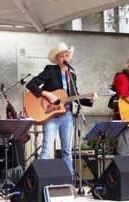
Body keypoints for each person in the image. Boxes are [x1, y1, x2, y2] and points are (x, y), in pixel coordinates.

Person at [26, 42, 94, 177]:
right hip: (50, 115)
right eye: (61, 55)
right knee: (47, 150)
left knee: (67, 150)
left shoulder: (72, 75)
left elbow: (73, 96)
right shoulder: (51, 70)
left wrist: (89, 100)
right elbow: (31, 84)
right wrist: (46, 94)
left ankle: (69, 179)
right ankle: (41, 179)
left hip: (67, 115)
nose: (65, 57)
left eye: (67, 55)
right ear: (57, 59)